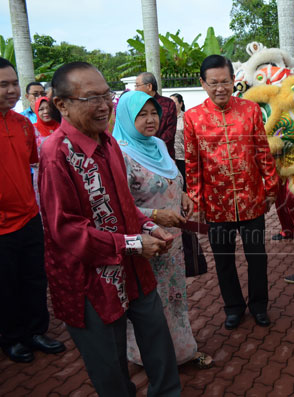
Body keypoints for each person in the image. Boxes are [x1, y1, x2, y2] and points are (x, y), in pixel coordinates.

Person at [38, 61, 180, 397]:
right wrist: (134, 243)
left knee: (160, 347)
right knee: (111, 371)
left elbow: (125, 206)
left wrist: (149, 226)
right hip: (91, 283)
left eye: (107, 96)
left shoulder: (109, 143)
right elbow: (67, 231)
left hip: (135, 271)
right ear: (62, 104)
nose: (104, 106)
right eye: (91, 98)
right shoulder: (56, 154)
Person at [112, 90, 213, 369]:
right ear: (125, 117)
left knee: (176, 298)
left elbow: (171, 177)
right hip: (147, 244)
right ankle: (150, 358)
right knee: (149, 304)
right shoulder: (120, 153)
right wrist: (155, 215)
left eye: (153, 113)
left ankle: (183, 350)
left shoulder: (156, 144)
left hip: (173, 242)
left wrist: (182, 196)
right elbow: (118, 208)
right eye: (141, 114)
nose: (149, 120)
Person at [185, 55, 279, 330]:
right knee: (223, 261)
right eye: (213, 83)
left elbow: (262, 151)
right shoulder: (193, 118)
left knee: (257, 258)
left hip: (251, 199)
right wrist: (196, 198)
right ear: (203, 83)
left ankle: (259, 306)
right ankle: (233, 307)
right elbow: (192, 163)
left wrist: (271, 187)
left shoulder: (250, 110)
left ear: (233, 80)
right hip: (216, 204)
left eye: (225, 81)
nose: (220, 88)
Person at [0, 57, 65, 364]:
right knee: (6, 285)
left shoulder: (23, 124)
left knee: (35, 278)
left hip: (28, 217)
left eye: (14, 83)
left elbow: (31, 164)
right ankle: (11, 338)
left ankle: (37, 331)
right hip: (1, 229)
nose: (12, 90)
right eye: (4, 85)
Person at [171, 92, 208, 277]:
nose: (172, 105)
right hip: (176, 158)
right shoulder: (168, 120)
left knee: (190, 187)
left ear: (180, 103)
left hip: (188, 157)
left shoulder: (187, 118)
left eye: (174, 102)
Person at [135, 72, 177, 159]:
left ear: (149, 86)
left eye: (137, 85)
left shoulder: (168, 104)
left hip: (164, 154)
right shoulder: (136, 105)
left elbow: (170, 132)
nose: (135, 89)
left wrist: (153, 147)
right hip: (141, 154)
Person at [31, 96, 60, 205]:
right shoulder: (32, 130)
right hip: (42, 175)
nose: (46, 111)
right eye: (41, 109)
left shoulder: (62, 128)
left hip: (62, 173)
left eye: (48, 108)